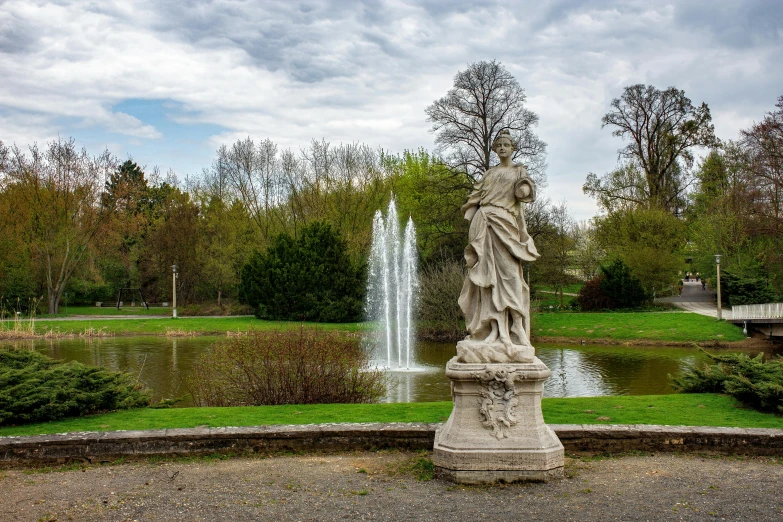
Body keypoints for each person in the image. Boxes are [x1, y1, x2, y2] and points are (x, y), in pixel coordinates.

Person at [456, 129, 538, 364]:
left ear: (512, 148)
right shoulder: (489, 173)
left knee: (511, 277)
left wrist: (524, 190)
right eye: (498, 145)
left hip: (506, 225)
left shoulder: (519, 171)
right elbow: (476, 199)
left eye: (506, 144)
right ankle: (494, 328)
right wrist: (472, 220)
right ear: (494, 149)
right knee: (487, 280)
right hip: (484, 225)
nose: (502, 147)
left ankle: (516, 328)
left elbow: (525, 194)